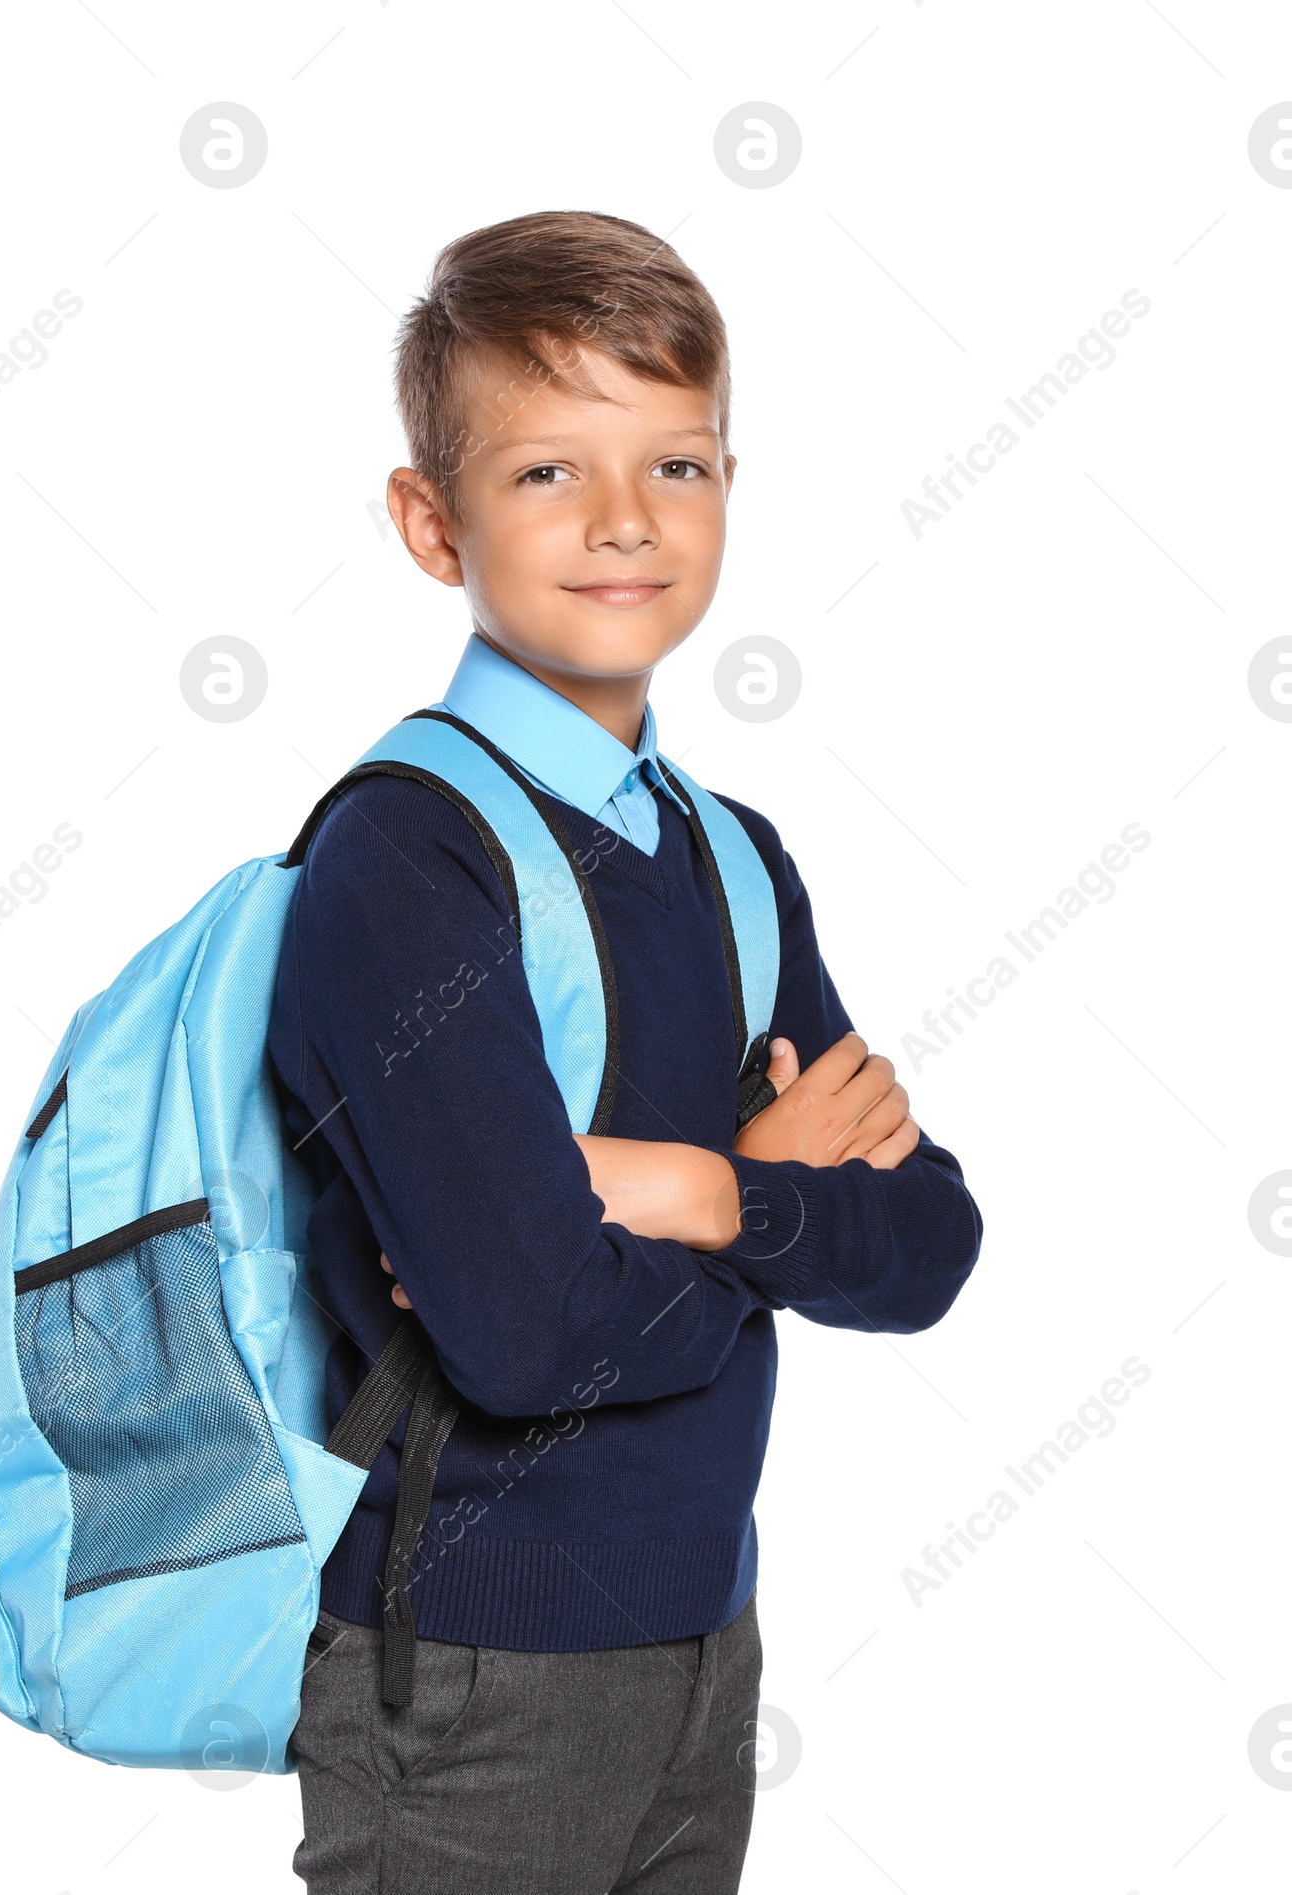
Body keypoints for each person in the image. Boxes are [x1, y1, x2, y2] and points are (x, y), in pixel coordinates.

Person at [269, 210, 982, 1893]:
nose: (621, 524)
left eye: (676, 463)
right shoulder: (408, 861)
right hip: (467, 1677)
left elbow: (931, 1245)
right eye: (544, 475)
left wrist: (692, 1191)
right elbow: (529, 1338)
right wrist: (782, 1186)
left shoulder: (731, 853)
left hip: (706, 1646)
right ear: (429, 524)